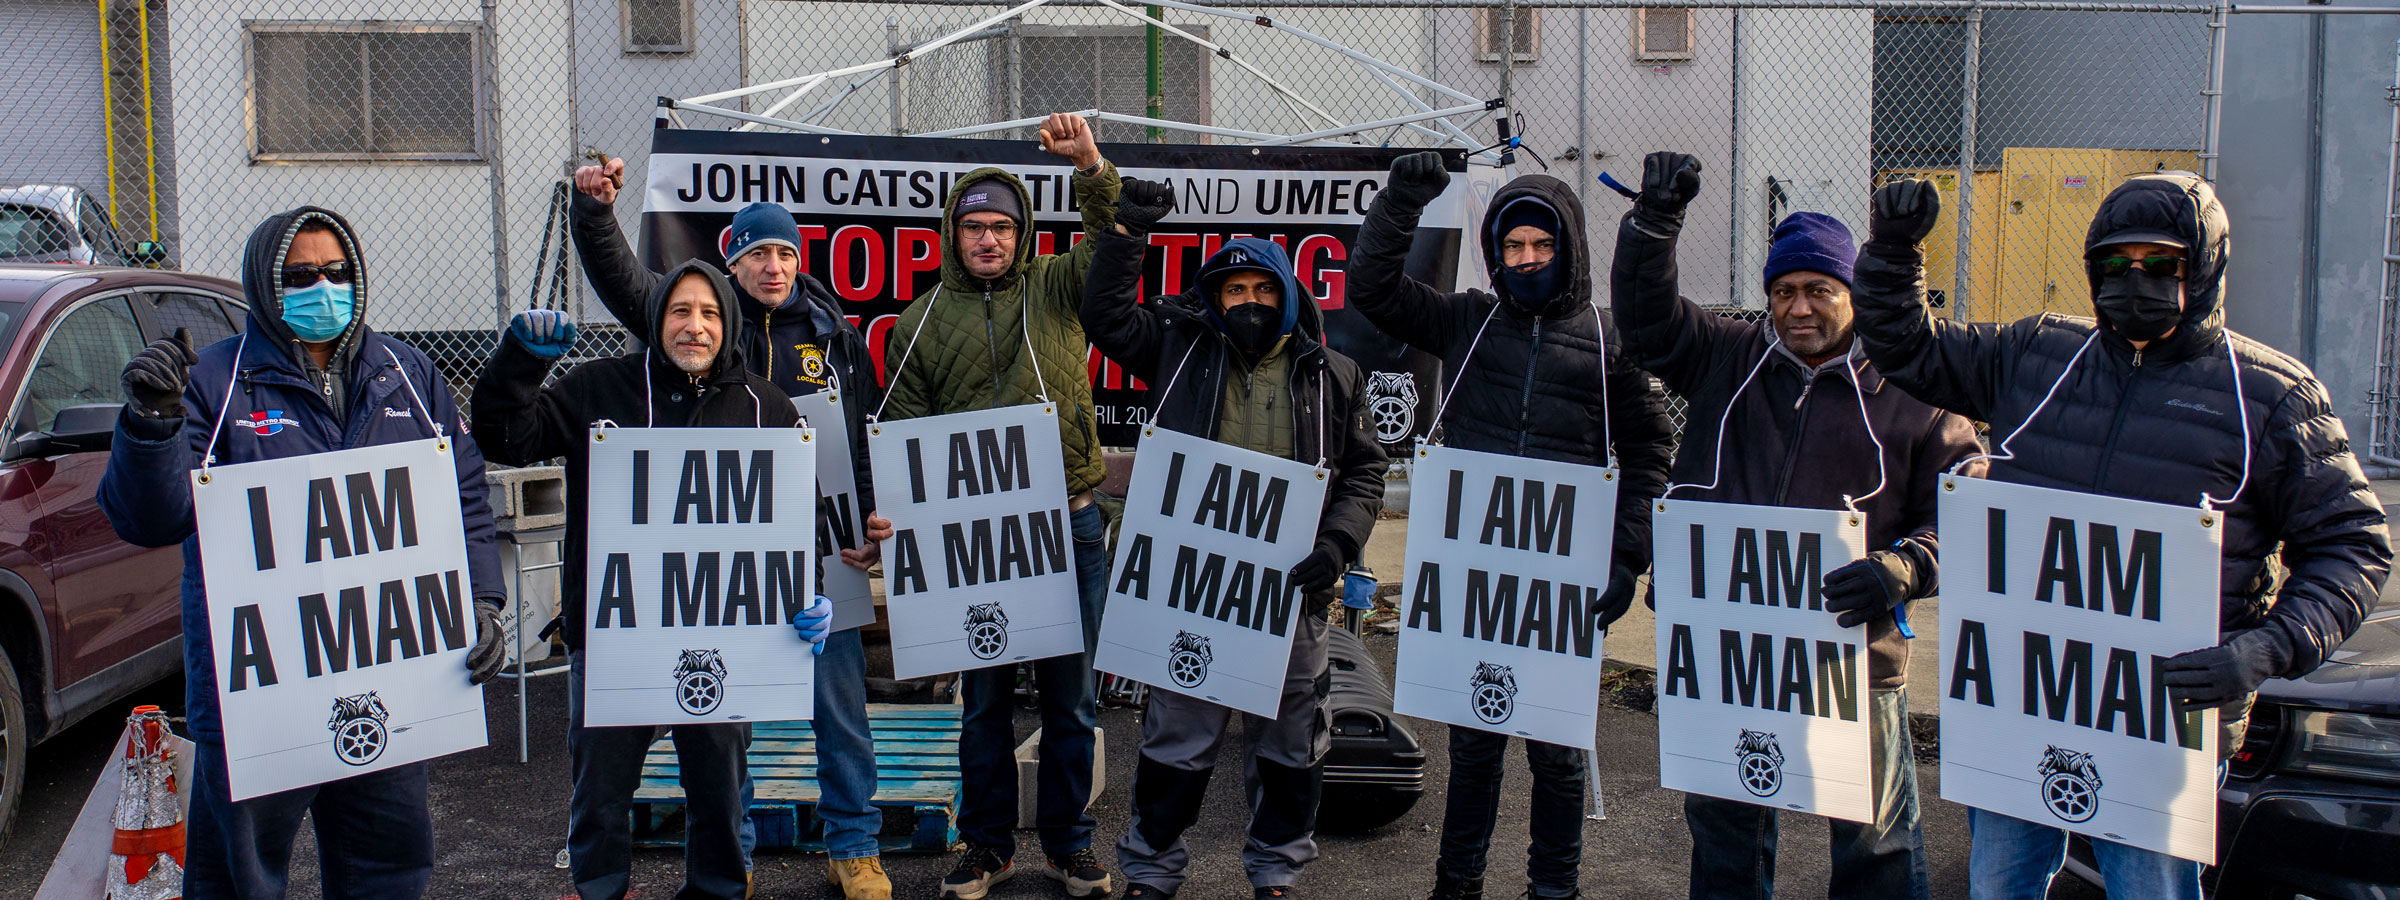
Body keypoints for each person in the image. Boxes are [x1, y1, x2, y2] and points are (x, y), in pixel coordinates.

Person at [1850, 173, 2393, 899]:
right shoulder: (2037, 355)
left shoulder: (2270, 395)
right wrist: (1893, 251)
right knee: (2000, 882)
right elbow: (1908, 348)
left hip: (2162, 721)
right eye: (2115, 264)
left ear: (2202, 270)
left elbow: (2352, 543)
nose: (2134, 281)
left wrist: (2265, 649)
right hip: (2024, 696)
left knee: (2151, 890)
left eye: (2161, 265)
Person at [97, 207, 510, 899]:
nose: (324, 286)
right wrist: (151, 424)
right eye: (301, 274)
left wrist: (484, 601)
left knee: (388, 870)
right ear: (266, 282)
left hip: (387, 674)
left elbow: (462, 493)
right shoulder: (216, 381)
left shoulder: (407, 373)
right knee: (239, 880)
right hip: (258, 691)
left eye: (337, 271)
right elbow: (152, 519)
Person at [1612, 153, 1981, 900]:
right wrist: (1652, 227)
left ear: (1853, 293)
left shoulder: (1917, 386)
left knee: (1874, 840)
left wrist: (1906, 568)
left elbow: (1968, 514)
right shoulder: (1729, 357)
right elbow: (1648, 322)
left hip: (1854, 657)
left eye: (1819, 290)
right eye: (1782, 292)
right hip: (1732, 652)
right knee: (1724, 829)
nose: (1797, 309)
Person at [1346, 152, 1676, 900]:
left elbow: (1652, 446)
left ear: (1569, 249)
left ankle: (1554, 889)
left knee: (1558, 754)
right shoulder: (1466, 318)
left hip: (1563, 583)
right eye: (1513, 247)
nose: (1526, 259)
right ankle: (1456, 885)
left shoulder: (1606, 340)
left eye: (1542, 245)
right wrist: (1402, 200)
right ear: (1496, 253)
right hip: (1477, 581)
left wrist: (1629, 554)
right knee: (1475, 744)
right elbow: (1371, 289)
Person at [570, 156, 895, 899]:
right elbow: (624, 280)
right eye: (756, 253)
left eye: (784, 251)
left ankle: (856, 845)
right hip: (718, 565)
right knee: (722, 721)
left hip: (822, 554)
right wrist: (595, 215)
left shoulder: (834, 334)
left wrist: (865, 527)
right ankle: (736, 855)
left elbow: (858, 432)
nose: (773, 266)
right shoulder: (705, 328)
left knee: (841, 708)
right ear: (731, 263)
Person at [470, 262, 836, 900]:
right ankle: (600, 886)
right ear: (656, 319)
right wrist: (520, 364)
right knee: (601, 786)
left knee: (719, 786)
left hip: (726, 637)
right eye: (679, 312)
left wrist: (809, 589)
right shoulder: (601, 389)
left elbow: (802, 515)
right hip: (617, 635)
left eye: (710, 314)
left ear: (730, 323)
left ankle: (719, 888)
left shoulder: (767, 407)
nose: (695, 327)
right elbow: (506, 438)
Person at [1081, 180, 1391, 900]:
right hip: (1192, 591)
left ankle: (1276, 876)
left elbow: (1367, 473)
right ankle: (1151, 872)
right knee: (1176, 743)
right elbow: (1102, 314)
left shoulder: (1332, 374)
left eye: (1261, 288)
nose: (1247, 301)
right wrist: (1129, 234)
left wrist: (1339, 544)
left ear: (1284, 292)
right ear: (1213, 299)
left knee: (1288, 748)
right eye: (1232, 290)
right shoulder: (1177, 350)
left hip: (1293, 593)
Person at [872, 112, 1124, 900]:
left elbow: (1112, 246)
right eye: (974, 227)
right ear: (953, 233)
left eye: (1002, 227)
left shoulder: (1055, 287)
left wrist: (1091, 168)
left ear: (1021, 234)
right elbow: (905, 441)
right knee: (981, 704)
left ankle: (1068, 844)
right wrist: (891, 520)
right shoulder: (918, 324)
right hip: (972, 544)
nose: (988, 239)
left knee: (1070, 700)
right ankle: (986, 847)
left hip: (1069, 525)